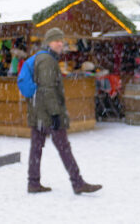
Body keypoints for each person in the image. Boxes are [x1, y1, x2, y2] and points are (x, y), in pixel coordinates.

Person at [27, 27, 102, 194]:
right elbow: (47, 89)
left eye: (61, 40)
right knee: (63, 148)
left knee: (36, 148)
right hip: (48, 113)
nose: (60, 43)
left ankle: (33, 182)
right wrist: (55, 114)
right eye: (56, 40)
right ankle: (77, 182)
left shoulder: (42, 57)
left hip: (38, 110)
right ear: (48, 42)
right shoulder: (47, 60)